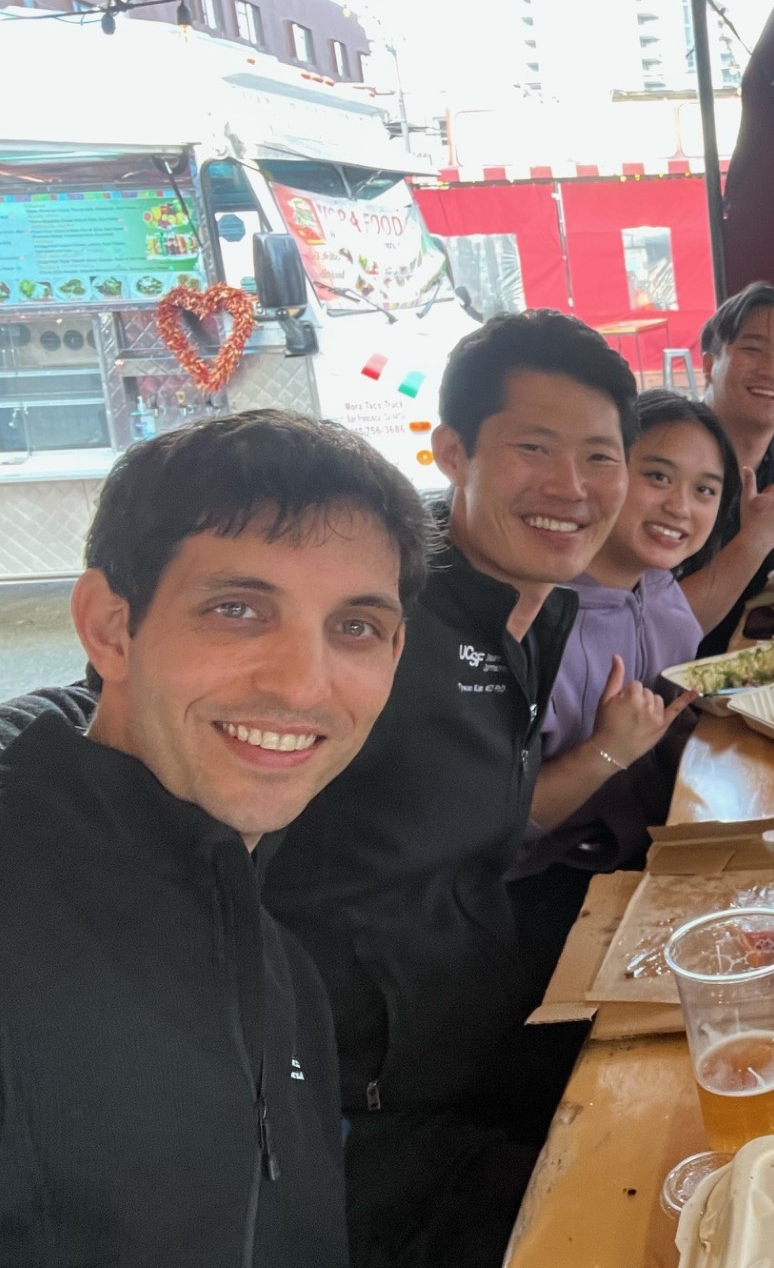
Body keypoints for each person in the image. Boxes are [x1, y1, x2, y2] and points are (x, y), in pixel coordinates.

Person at [0, 410, 431, 1267]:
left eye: (354, 627)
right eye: (237, 609)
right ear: (109, 628)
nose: (303, 685)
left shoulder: (280, 964)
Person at [260, 310, 637, 1267]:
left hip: (484, 1037)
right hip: (371, 1124)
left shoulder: (533, 611)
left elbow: (487, 824)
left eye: (600, 456)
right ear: (453, 451)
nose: (572, 487)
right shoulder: (374, 624)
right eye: (534, 449)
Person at [507, 390, 739, 975]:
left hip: (653, 845)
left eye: (705, 490)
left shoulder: (657, 588)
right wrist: (609, 750)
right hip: (553, 889)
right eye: (657, 476)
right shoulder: (536, 620)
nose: (681, 507)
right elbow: (505, 828)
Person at [678, 282, 774, 657]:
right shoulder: (666, 466)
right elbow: (657, 622)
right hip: (660, 687)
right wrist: (755, 539)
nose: (772, 370)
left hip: (747, 669)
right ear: (709, 365)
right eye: (752, 349)